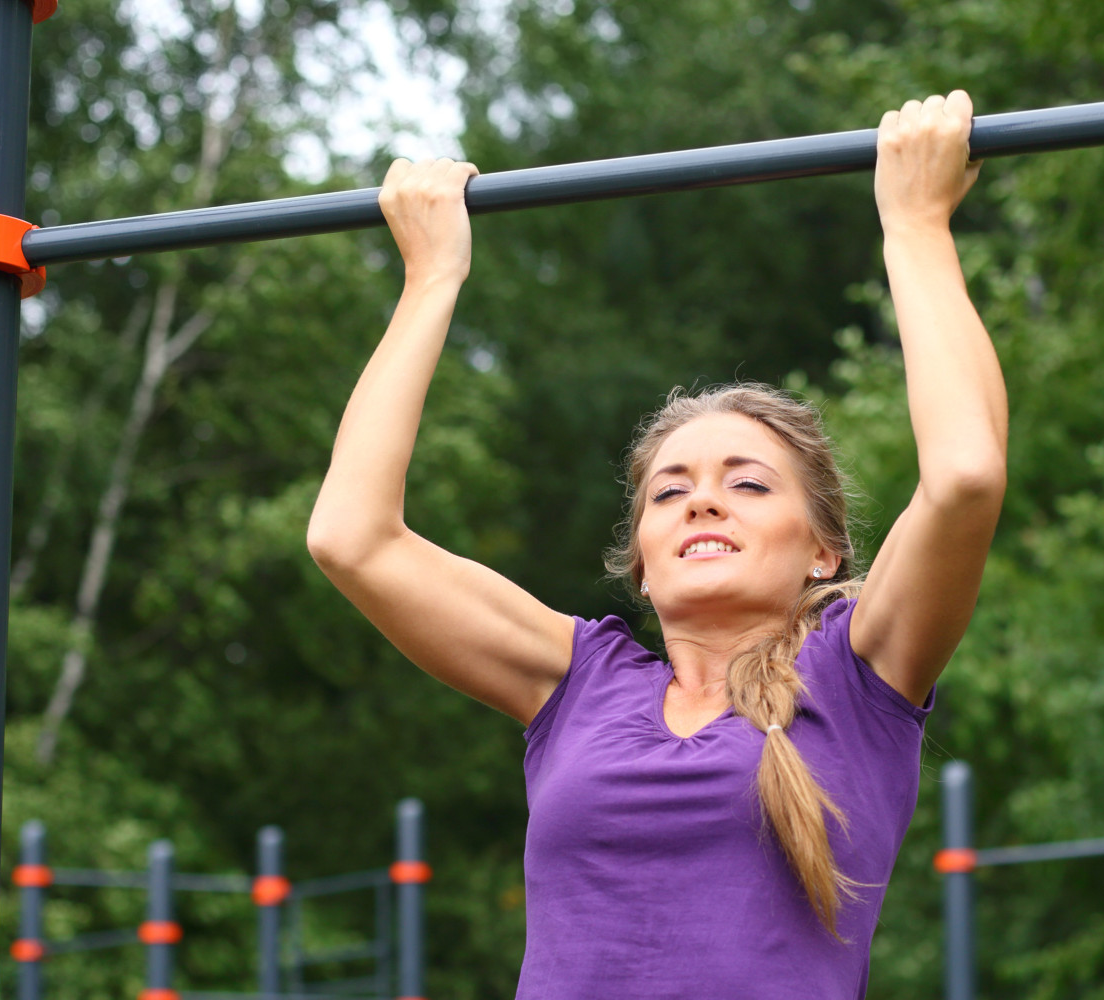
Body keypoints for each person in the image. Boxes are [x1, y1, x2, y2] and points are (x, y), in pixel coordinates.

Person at [307, 90, 1005, 999]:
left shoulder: (858, 678)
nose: (702, 504)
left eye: (748, 484)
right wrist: (431, 279)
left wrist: (914, 224)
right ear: (641, 556)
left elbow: (965, 476)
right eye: (670, 493)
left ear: (822, 553)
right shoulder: (578, 684)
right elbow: (350, 537)